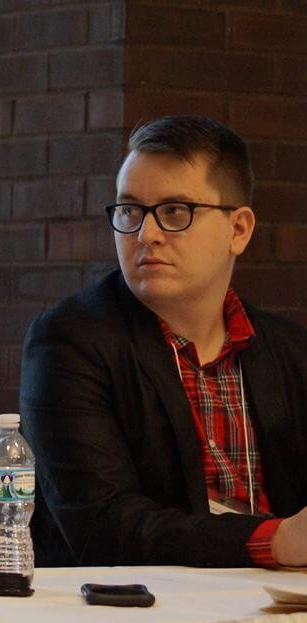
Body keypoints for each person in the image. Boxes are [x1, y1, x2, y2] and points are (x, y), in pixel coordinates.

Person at [20, 115, 307, 568]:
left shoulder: (291, 351)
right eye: (130, 210)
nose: (145, 234)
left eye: (175, 212)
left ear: (239, 230)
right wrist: (273, 541)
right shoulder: (69, 342)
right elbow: (104, 525)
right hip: (132, 614)